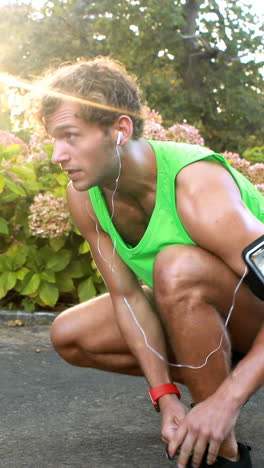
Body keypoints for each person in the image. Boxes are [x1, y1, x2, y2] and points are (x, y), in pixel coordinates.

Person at [31, 56, 264, 468]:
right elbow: (128, 300)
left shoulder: (197, 187)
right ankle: (204, 399)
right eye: (54, 138)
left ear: (120, 130)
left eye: (70, 136)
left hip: (253, 319)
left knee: (177, 269)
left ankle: (221, 452)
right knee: (70, 333)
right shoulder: (84, 195)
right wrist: (166, 398)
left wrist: (225, 402)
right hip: (207, 323)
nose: (56, 155)